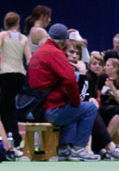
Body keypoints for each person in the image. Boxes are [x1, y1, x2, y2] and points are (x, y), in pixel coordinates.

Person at [28, 22, 99, 161]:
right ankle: (79, 149)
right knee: (89, 108)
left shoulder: (39, 52)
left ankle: (64, 148)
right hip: (51, 109)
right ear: (64, 41)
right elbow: (70, 80)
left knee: (70, 109)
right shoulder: (55, 53)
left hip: (36, 108)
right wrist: (76, 102)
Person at [0, 11, 31, 148]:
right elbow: (29, 59)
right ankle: (13, 137)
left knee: (7, 108)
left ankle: (12, 138)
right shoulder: (24, 38)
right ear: (18, 23)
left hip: (5, 74)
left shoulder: (2, 36)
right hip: (19, 75)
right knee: (10, 106)